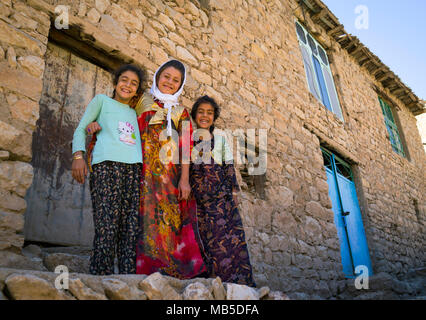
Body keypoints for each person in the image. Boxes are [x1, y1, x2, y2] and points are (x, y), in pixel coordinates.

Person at [86, 60, 207, 279]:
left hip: (170, 177)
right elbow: (114, 115)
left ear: (181, 84)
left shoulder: (182, 113)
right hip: (138, 172)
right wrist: (95, 125)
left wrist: (185, 180)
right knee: (139, 220)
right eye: (166, 76)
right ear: (158, 76)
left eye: (175, 80)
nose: (169, 82)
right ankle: (139, 268)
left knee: (168, 221)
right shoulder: (140, 100)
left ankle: (168, 270)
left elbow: (186, 148)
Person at [71, 64, 145, 275]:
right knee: (107, 226)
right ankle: (100, 276)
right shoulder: (101, 101)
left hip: (133, 172)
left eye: (134, 83)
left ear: (137, 90)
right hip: (106, 167)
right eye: (124, 80)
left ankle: (127, 280)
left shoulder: (136, 112)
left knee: (130, 230)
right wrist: (79, 156)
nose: (127, 85)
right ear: (115, 82)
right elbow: (80, 129)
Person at [190, 95, 256, 287]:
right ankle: (213, 284)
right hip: (200, 198)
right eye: (201, 112)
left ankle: (240, 285)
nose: (205, 116)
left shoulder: (219, 139)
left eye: (209, 113)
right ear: (195, 115)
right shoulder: (189, 139)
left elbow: (228, 165)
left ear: (214, 117)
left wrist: (234, 191)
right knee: (208, 238)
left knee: (231, 238)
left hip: (222, 197)